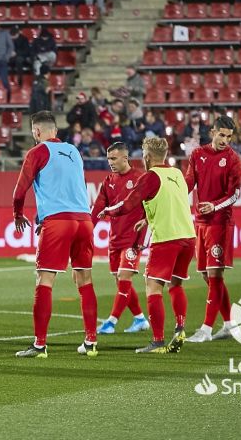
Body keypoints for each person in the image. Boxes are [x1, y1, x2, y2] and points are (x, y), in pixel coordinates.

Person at [12, 111, 99, 358]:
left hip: (58, 222)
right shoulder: (74, 151)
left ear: (36, 132)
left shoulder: (37, 152)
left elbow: (19, 191)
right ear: (56, 131)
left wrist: (18, 215)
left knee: (44, 280)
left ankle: (40, 345)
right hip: (84, 220)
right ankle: (91, 342)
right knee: (85, 279)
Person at [99, 137, 194, 354]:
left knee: (153, 287)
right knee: (176, 285)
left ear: (147, 156)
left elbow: (129, 203)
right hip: (188, 237)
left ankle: (158, 341)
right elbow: (170, 200)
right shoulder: (178, 173)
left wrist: (109, 211)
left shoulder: (150, 176)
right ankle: (180, 327)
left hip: (167, 238)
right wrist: (149, 219)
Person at [182, 116, 241, 344]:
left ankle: (206, 329)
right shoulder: (198, 155)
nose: (225, 140)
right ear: (212, 132)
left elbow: (235, 193)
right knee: (207, 275)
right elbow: (189, 182)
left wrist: (215, 205)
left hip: (220, 222)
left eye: (229, 136)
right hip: (201, 221)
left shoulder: (233, 159)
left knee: (215, 274)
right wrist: (177, 196)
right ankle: (229, 324)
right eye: (222, 135)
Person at [91, 142, 150, 335]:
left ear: (126, 158)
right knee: (120, 280)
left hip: (133, 239)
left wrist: (146, 230)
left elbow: (152, 206)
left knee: (124, 278)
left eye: (114, 158)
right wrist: (87, 230)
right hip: (114, 239)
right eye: (108, 159)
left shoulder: (141, 178)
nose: (110, 162)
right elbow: (98, 208)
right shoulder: (108, 181)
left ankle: (111, 322)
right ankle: (140, 319)